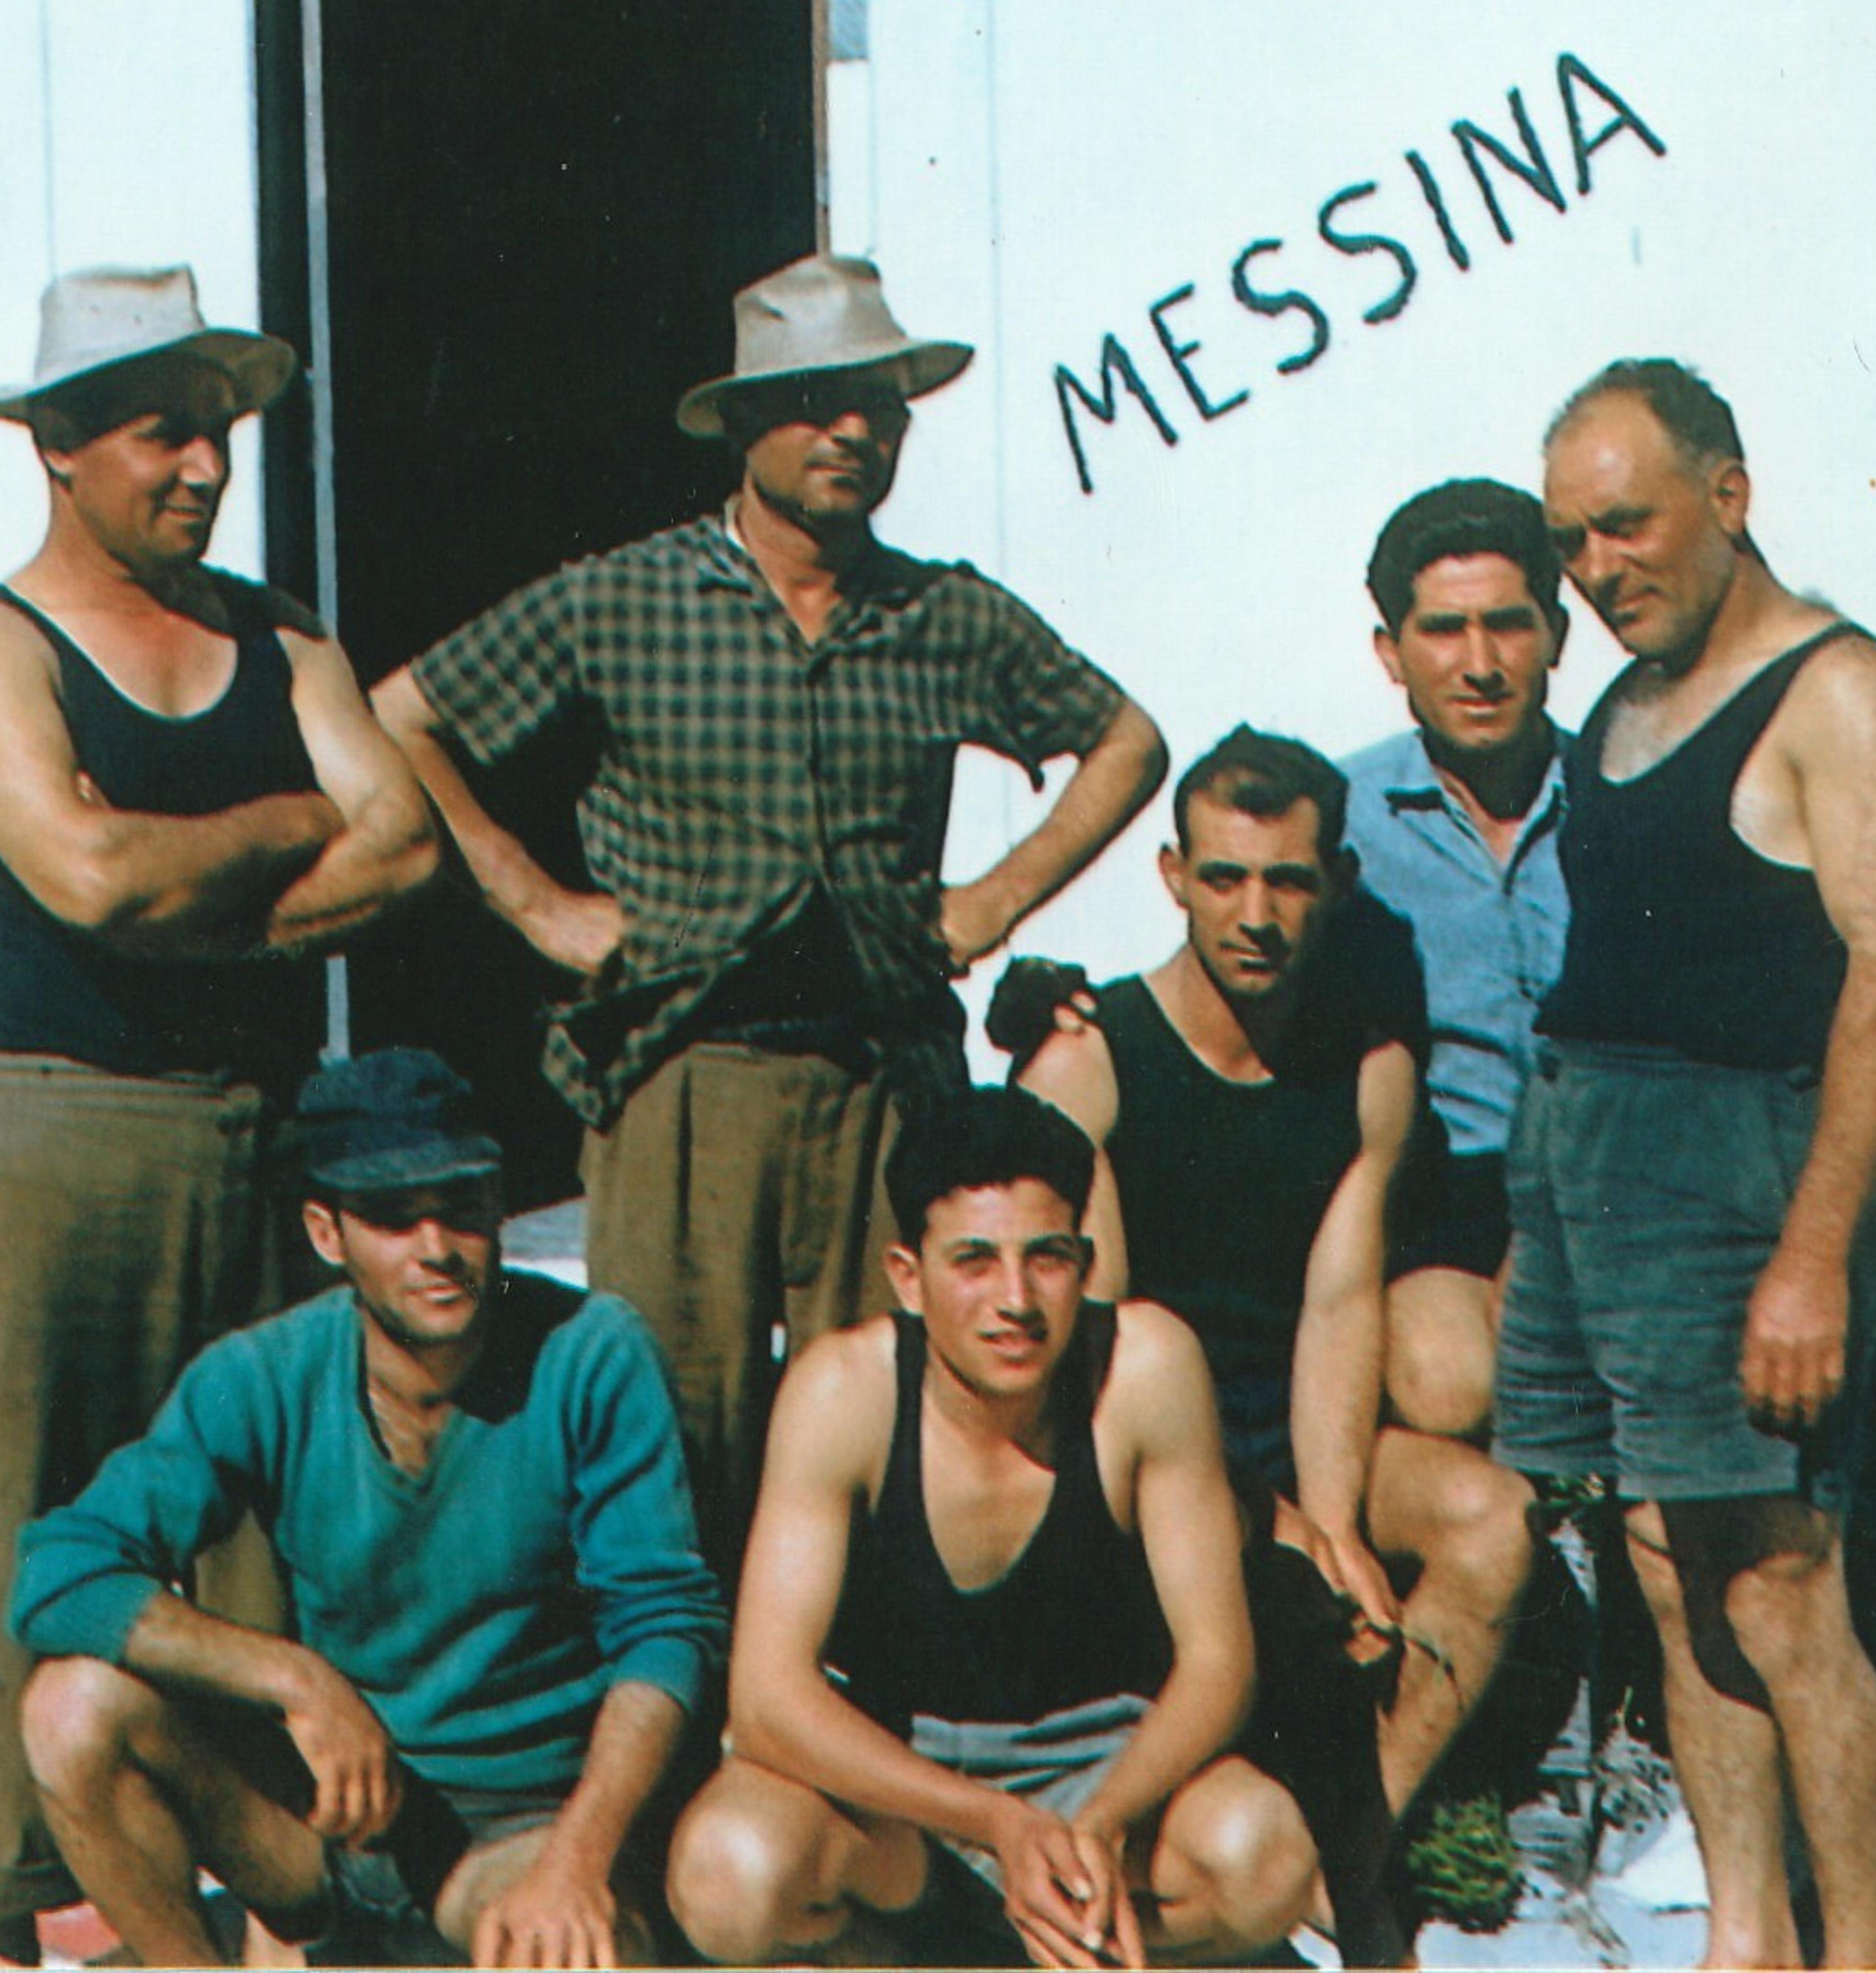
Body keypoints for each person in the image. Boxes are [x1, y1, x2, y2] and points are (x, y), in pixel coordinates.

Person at [372, 252, 1165, 1577]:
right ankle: (684, 1742)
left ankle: (866, 1725)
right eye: (814, 403)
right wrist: (535, 901)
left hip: (881, 1074)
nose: (853, 432)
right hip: (686, 1068)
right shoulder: (622, 597)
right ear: (741, 424)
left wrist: (994, 898)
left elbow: (1126, 739)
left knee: (895, 1409)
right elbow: (405, 714)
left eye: (880, 405)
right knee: (673, 1429)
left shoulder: (940, 612)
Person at [0, 265, 439, 1962]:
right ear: (62, 448)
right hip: (59, 1124)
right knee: (28, 1496)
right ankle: (15, 1897)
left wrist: (198, 891)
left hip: (252, 1117)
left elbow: (403, 840)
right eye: (166, 432)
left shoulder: (276, 629)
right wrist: (282, 815)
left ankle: (264, 1868)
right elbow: (76, 876)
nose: (207, 466)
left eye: (218, 432)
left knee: (262, 1508)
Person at [1506, 356, 1876, 1968]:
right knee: (1668, 1564)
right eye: (1572, 543)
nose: (1597, 572)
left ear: (1730, 495)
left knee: (1778, 1590)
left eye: (1625, 528)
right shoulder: (1629, 701)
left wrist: (1814, 1255)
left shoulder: (1843, 694)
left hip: (1741, 1181)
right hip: (1595, 1166)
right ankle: (1745, 1940)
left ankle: (1864, 1956)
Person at [9, 1048, 725, 1971]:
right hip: (334, 1812)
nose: (436, 1248)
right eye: (392, 1217)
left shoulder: (592, 1353)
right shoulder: (266, 1373)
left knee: (581, 1953)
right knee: (69, 1709)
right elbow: (56, 1571)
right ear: (327, 1232)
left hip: (520, 1831)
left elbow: (667, 1628)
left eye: (462, 1206)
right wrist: (298, 1680)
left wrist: (577, 1862)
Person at [1013, 730, 1535, 1865]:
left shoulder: (1369, 1069)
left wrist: (1336, 1516)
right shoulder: (1093, 1062)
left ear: (1338, 884)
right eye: (1225, 877)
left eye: (1290, 880)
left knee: (1491, 1520)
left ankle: (1344, 1847)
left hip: (1294, 1428)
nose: (1258, 913)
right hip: (1143, 1452)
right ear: (1173, 878)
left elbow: (1342, 1303)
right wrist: (1272, 1519)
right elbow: (1105, 1354)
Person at [666, 1086, 1315, 1969]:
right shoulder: (844, 1393)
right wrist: (997, 1825)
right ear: (908, 1276)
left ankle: (1066, 1940)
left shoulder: (1145, 1369)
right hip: (899, 1800)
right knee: (725, 1874)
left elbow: (1218, 1663)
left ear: (1084, 1263)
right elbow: (770, 1700)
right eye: (974, 1261)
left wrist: (1093, 1826)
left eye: (1045, 1258)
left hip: (1103, 1779)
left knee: (1265, 1857)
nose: (1015, 1299)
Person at [1344, 479, 1570, 1442]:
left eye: (1507, 626)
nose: (1479, 665)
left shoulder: (1626, 793)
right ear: (1391, 653)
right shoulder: (1344, 815)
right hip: (1442, 1196)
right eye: (1443, 632)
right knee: (1450, 1380)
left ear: (1556, 633)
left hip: (1604, 1182)